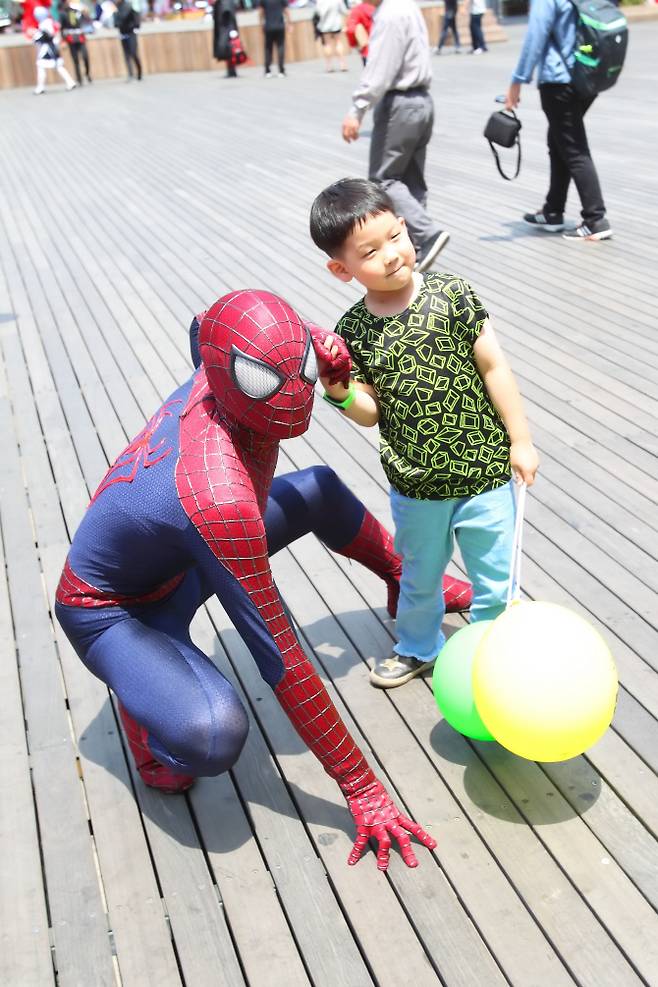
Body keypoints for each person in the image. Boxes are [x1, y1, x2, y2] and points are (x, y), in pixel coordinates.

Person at [55, 289, 446, 872]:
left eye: (301, 372)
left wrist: (320, 346)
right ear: (230, 373)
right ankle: (145, 713)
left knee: (317, 488)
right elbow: (280, 656)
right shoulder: (219, 495)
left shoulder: (227, 359)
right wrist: (363, 789)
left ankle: (401, 577)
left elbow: (215, 327)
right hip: (111, 608)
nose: (296, 394)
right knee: (210, 738)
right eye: (268, 382)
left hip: (179, 554)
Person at [310, 179, 539, 687]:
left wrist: (520, 440)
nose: (392, 254)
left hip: (485, 472)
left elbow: (494, 367)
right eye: (370, 252)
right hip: (417, 485)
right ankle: (418, 646)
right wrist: (339, 390)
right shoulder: (354, 330)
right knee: (420, 576)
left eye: (396, 236)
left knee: (495, 579)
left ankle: (494, 655)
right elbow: (370, 412)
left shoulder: (452, 294)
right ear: (342, 270)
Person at [341, 0, 449, 276]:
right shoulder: (406, 6)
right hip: (422, 101)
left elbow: (379, 70)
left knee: (383, 180)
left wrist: (357, 109)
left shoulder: (389, 15)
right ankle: (415, 249)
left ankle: (426, 235)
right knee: (411, 180)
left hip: (399, 104)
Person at [505, 0, 612, 241]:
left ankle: (595, 219)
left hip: (559, 82)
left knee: (573, 148)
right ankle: (553, 211)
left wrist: (517, 81)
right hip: (587, 77)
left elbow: (535, 35)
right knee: (558, 142)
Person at [30, 5, 78, 95]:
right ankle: (70, 82)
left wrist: (36, 36)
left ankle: (40, 87)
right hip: (50, 47)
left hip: (47, 49)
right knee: (56, 66)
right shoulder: (48, 22)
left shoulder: (45, 24)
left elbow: (47, 36)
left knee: (44, 66)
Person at [59, 0, 92, 85]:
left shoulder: (76, 11)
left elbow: (84, 21)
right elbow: (62, 28)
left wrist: (85, 14)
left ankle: (87, 73)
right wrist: (63, 41)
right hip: (70, 38)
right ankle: (79, 78)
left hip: (80, 36)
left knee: (85, 56)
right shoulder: (63, 14)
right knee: (75, 59)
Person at [259, 0, 290, 78]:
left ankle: (267, 70)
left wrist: (261, 24)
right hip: (279, 26)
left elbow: (261, 12)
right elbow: (286, 11)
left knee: (268, 48)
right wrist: (289, 23)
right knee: (280, 47)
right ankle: (281, 70)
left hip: (269, 26)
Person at [315, 0, 348, 73]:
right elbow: (344, 11)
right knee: (338, 43)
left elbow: (318, 12)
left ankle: (329, 66)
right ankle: (342, 65)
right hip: (336, 24)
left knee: (327, 44)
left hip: (324, 25)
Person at [114, 0, 143, 80]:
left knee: (133, 53)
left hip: (131, 33)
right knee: (126, 55)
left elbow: (134, 17)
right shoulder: (117, 8)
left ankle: (139, 72)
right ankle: (130, 74)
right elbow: (116, 23)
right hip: (123, 34)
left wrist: (133, 26)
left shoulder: (128, 5)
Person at [213, 0, 240, 78]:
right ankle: (231, 70)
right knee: (228, 52)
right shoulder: (224, 2)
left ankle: (232, 70)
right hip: (226, 30)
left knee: (229, 51)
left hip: (226, 31)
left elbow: (227, 13)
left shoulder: (224, 2)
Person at [345, 0, 374, 65]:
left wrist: (354, 43)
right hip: (386, 49)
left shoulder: (358, 10)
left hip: (367, 50)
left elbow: (351, 30)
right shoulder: (384, 8)